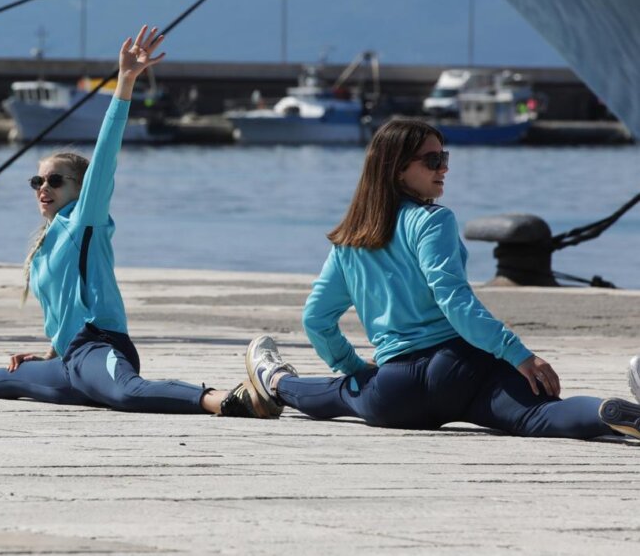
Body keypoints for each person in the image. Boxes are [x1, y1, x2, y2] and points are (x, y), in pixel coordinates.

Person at [0, 27, 274, 418]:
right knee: (7, 378)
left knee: (128, 394)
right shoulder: (42, 249)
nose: (44, 187)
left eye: (55, 181)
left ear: (79, 189)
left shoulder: (83, 220)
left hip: (100, 349)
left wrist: (125, 80)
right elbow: (63, 314)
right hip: (69, 360)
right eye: (37, 181)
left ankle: (226, 399)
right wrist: (46, 352)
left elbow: (106, 152)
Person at [243, 118, 640, 440]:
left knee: (338, 395)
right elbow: (454, 300)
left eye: (443, 156)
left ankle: (274, 381)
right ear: (398, 169)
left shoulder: (349, 239)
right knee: (539, 416)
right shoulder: (433, 221)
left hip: (397, 393)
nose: (444, 168)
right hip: (459, 368)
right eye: (432, 160)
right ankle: (606, 414)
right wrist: (518, 353)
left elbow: (316, 318)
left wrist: (353, 367)